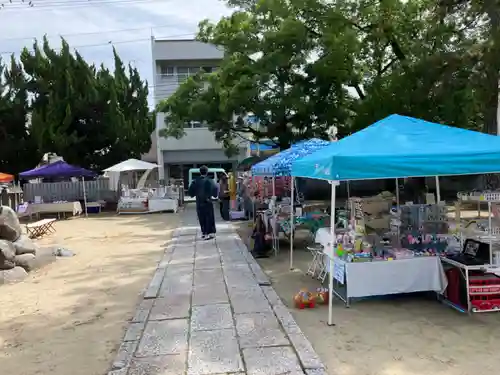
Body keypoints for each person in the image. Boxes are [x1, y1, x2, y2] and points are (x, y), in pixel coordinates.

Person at [188, 165, 217, 239]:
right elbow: (215, 189)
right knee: (209, 217)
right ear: (207, 172)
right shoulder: (210, 180)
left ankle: (204, 232)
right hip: (208, 202)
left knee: (202, 217)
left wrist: (194, 194)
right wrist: (214, 195)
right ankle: (210, 232)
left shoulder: (195, 181)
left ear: (200, 172)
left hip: (199, 202)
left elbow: (191, 192)